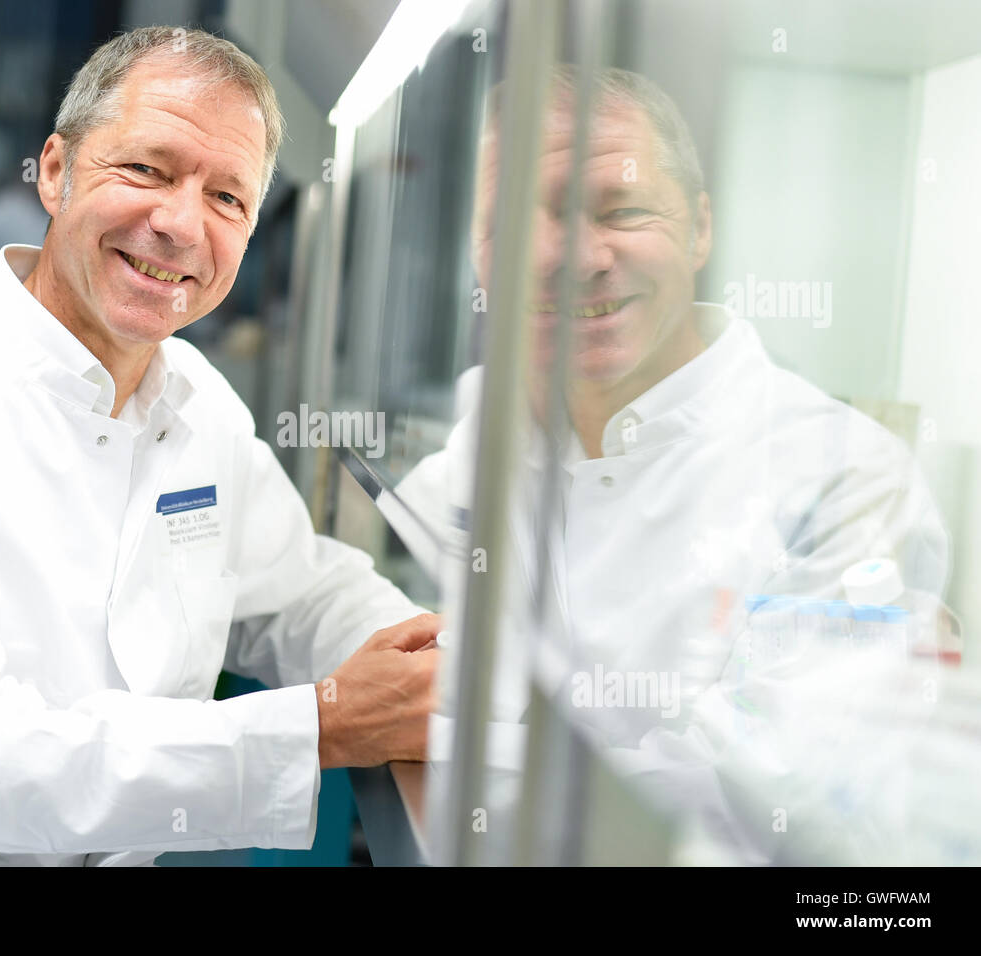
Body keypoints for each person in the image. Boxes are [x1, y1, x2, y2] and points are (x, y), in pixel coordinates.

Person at [0, 26, 439, 866]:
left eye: (227, 198)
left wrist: (437, 658)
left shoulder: (199, 402)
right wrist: (313, 726)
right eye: (147, 169)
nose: (179, 224)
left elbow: (299, 591)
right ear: (54, 171)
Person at [397, 66, 950, 861]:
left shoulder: (848, 478)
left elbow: (757, 788)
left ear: (699, 228)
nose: (573, 257)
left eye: (621, 211)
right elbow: (407, 596)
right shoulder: (487, 419)